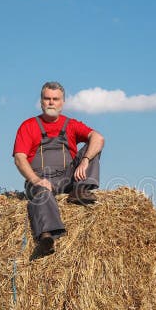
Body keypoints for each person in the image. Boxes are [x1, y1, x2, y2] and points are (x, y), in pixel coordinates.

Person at [13, 81, 105, 255]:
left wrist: (85, 160)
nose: (51, 102)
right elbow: (19, 158)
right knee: (42, 195)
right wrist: (36, 180)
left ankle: (80, 190)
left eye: (55, 99)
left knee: (92, 147)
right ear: (41, 101)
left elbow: (98, 138)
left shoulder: (71, 124)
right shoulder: (29, 126)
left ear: (62, 102)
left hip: (68, 178)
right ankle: (47, 236)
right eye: (47, 98)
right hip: (41, 179)